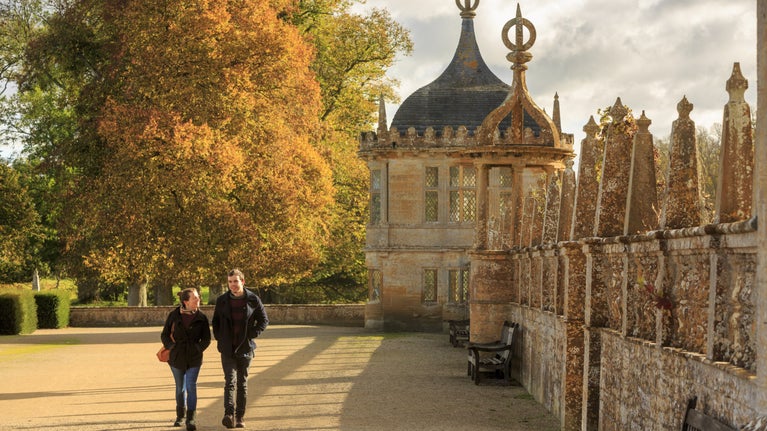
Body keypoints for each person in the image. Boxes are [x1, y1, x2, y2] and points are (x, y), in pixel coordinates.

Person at [212, 269, 269, 429]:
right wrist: (220, 338)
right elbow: (215, 322)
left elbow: (264, 320)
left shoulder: (253, 299)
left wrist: (252, 334)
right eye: (230, 282)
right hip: (227, 349)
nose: (232, 285)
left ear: (242, 282)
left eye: (235, 281)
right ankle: (228, 415)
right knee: (230, 381)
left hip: (245, 348)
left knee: (242, 383)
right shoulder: (222, 300)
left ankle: (240, 417)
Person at [161, 288, 211, 431]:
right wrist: (172, 346)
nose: (198, 299)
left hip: (194, 358)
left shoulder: (202, 317)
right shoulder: (174, 315)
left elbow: (206, 339)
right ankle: (180, 416)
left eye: (198, 297)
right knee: (180, 389)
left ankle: (191, 419)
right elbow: (164, 335)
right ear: (186, 301)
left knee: (191, 386)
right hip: (176, 357)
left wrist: (198, 348)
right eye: (195, 298)